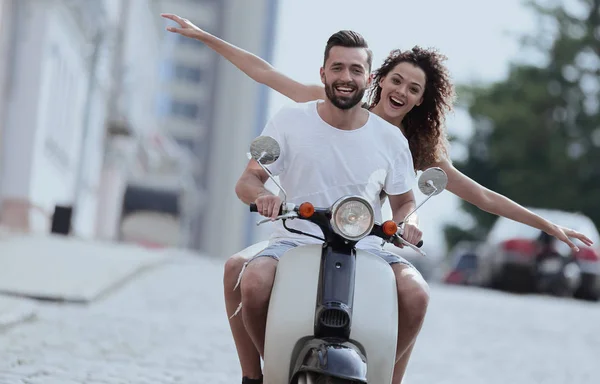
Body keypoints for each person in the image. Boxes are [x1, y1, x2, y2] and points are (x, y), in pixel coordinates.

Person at [160, 12, 595, 383]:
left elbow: (480, 196)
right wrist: (204, 36)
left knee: (416, 296)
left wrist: (547, 225)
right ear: (378, 80)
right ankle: (259, 372)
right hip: (304, 228)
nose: (401, 93)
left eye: (413, 89)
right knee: (243, 272)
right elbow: (267, 75)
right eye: (396, 81)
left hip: (367, 239)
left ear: (422, 101)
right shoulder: (329, 105)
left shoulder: (412, 147)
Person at [232, 29, 426, 384]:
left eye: (355, 70)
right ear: (323, 73)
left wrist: (408, 222)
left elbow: (405, 200)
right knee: (254, 282)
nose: (346, 78)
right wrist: (263, 197)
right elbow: (248, 180)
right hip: (294, 238)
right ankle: (267, 372)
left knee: (416, 293)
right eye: (337, 68)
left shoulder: (390, 139)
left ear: (369, 80)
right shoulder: (290, 121)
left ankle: (387, 378)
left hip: (366, 244)